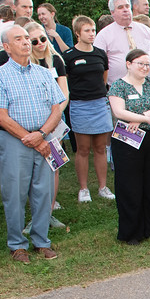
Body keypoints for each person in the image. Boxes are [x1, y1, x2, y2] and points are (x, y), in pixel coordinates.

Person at [0, 24, 66, 263]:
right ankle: (17, 245)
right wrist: (30, 138)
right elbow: (0, 117)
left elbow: (56, 108)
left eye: (26, 38)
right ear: (7, 47)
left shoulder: (43, 72)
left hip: (45, 138)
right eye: (18, 39)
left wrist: (41, 134)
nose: (26, 42)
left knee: (44, 191)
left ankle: (41, 241)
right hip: (15, 142)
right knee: (15, 194)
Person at [107, 48, 150, 243]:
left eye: (148, 64)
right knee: (129, 185)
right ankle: (131, 232)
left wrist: (141, 119)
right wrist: (145, 118)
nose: (145, 67)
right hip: (127, 139)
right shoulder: (118, 86)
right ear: (128, 64)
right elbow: (119, 111)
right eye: (140, 64)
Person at [64, 15, 113, 203]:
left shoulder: (100, 53)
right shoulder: (68, 56)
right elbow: (65, 81)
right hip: (79, 105)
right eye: (87, 30)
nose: (92, 34)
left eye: (93, 30)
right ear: (77, 33)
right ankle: (84, 189)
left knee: (100, 148)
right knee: (83, 149)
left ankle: (103, 186)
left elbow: (104, 77)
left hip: (100, 104)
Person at [92, 0, 150, 88]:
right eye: (120, 7)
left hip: (148, 87)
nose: (125, 10)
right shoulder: (104, 35)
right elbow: (97, 64)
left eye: (127, 6)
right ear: (112, 12)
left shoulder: (145, 30)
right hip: (119, 90)